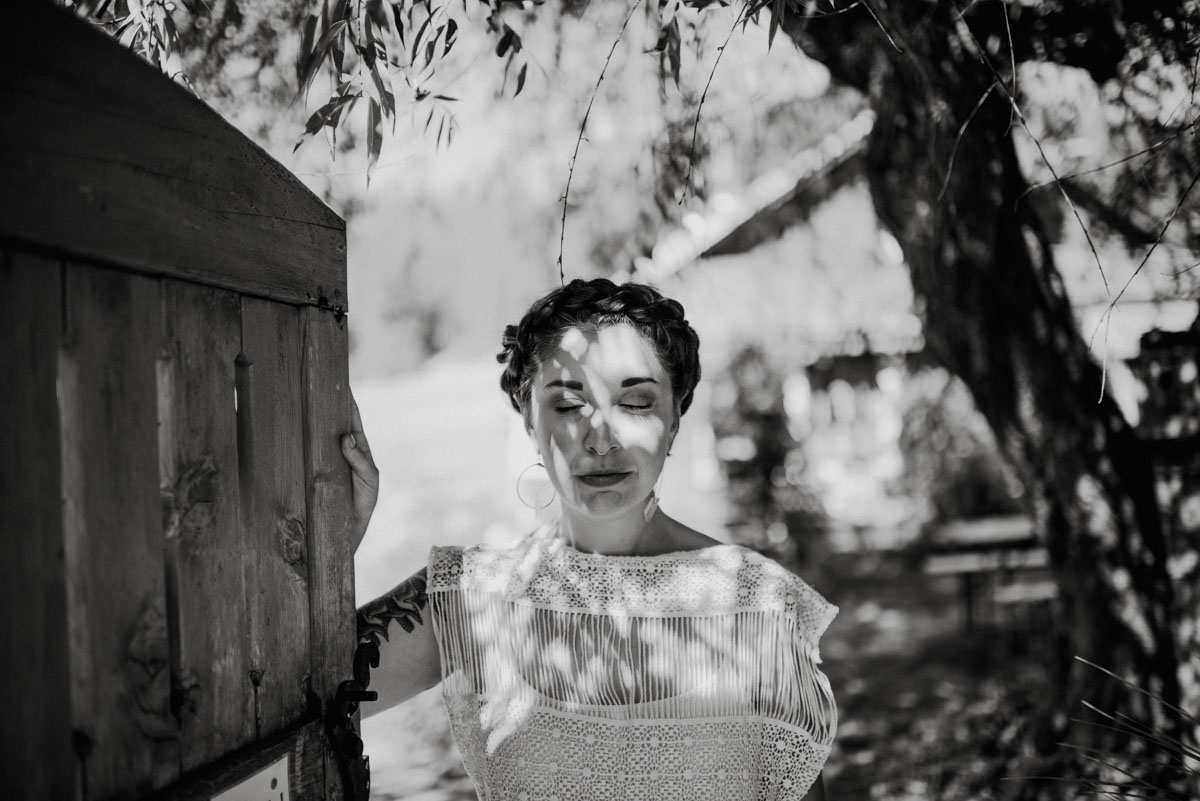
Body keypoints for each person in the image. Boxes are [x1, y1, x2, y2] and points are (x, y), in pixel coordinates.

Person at [342, 278, 837, 800]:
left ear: (675, 418)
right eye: (569, 404)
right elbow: (292, 695)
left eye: (637, 402)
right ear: (529, 421)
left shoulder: (756, 604)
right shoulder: (469, 595)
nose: (601, 438)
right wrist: (337, 550)